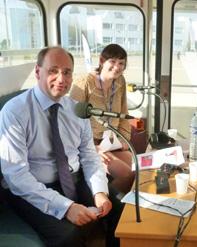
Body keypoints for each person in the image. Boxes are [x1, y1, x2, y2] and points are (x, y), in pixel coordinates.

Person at [0, 46, 123, 247]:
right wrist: (66, 208)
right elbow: (17, 177)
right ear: (38, 71)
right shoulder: (14, 113)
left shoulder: (76, 110)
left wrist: (99, 191)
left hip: (72, 178)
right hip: (31, 187)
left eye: (67, 72)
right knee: (68, 236)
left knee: (121, 209)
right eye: (53, 71)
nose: (61, 78)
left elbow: (89, 156)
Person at [70, 44, 134, 194]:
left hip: (112, 142)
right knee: (127, 175)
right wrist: (90, 148)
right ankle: (108, 208)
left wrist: (124, 139)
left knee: (140, 169)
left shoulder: (120, 81)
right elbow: (71, 122)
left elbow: (124, 113)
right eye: (112, 61)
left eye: (121, 63)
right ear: (101, 61)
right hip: (90, 146)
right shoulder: (84, 83)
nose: (117, 67)